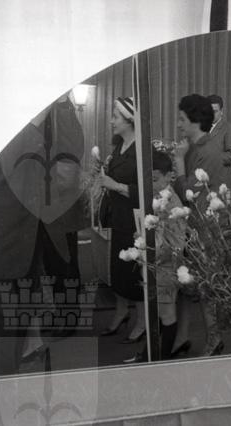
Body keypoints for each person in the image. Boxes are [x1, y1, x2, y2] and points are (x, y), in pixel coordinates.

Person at [0, 95, 86, 377]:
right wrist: (37, 117)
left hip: (20, 254)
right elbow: (7, 165)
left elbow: (70, 160)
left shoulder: (35, 118)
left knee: (12, 354)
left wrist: (62, 102)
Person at [172, 93, 229, 356]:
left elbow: (189, 196)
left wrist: (178, 162)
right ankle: (183, 337)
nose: (179, 124)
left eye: (182, 119)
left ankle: (214, 341)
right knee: (187, 286)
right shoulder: (194, 147)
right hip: (194, 226)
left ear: (195, 121)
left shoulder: (207, 151)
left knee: (206, 288)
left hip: (206, 229)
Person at [98, 96, 147, 344]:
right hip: (118, 218)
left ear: (129, 120)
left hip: (134, 221)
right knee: (118, 270)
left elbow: (145, 190)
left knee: (134, 273)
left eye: (116, 117)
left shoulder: (142, 149)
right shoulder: (119, 147)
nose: (112, 121)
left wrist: (114, 185)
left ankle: (142, 321)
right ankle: (121, 312)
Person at [151, 150, 186, 359]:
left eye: (155, 179)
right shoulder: (158, 197)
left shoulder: (172, 203)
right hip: (159, 262)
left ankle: (162, 360)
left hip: (167, 263)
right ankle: (152, 354)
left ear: (169, 176)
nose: (152, 184)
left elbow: (177, 243)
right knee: (160, 311)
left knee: (167, 313)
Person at [206, 94, 231, 167]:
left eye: (215, 111)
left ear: (221, 111)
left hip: (218, 172)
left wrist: (211, 158)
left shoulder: (229, 129)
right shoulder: (199, 128)